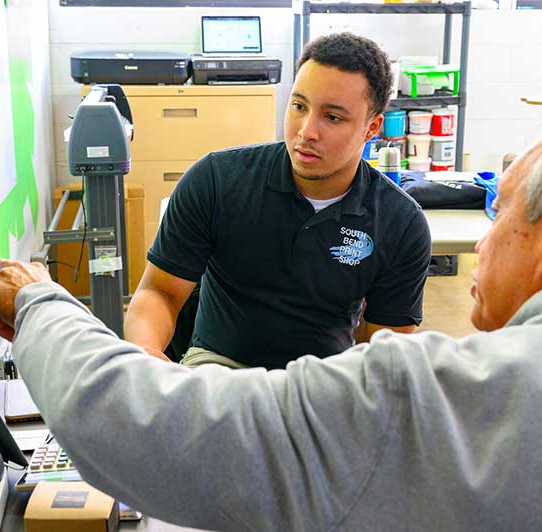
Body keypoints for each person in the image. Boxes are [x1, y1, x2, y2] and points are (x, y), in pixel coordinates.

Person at [0, 113, 542, 532]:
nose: (485, 242)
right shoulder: (222, 180)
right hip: (232, 377)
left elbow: (141, 425)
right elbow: (160, 301)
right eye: (301, 108)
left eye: (501, 214)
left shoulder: (441, 396)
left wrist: (38, 302)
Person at [124, 32, 432, 368]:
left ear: (372, 128)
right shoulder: (216, 180)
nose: (306, 131)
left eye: (332, 117)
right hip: (218, 367)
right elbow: (160, 292)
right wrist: (146, 355)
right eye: (299, 106)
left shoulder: (400, 223)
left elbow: (385, 350)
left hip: (321, 380)